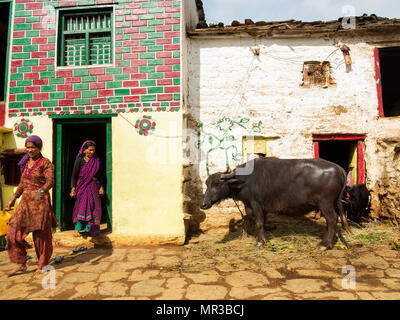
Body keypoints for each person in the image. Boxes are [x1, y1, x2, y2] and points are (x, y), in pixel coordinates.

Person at [5, 135, 59, 276]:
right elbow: (22, 184)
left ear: (39, 148)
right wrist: (13, 199)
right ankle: (21, 263)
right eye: (28, 147)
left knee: (41, 237)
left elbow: (50, 181)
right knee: (12, 232)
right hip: (25, 203)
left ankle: (42, 265)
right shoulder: (26, 163)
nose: (30, 150)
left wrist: (40, 191)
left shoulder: (45, 163)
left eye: (33, 147)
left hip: (40, 202)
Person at [70, 140, 104, 239]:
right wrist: (73, 189)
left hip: (94, 186)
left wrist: (101, 186)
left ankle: (92, 230)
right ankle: (77, 229)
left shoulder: (96, 160)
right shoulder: (79, 160)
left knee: (94, 207)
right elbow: (74, 175)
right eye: (89, 150)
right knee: (83, 206)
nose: (92, 152)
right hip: (82, 186)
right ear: (84, 150)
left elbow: (101, 174)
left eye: (93, 150)